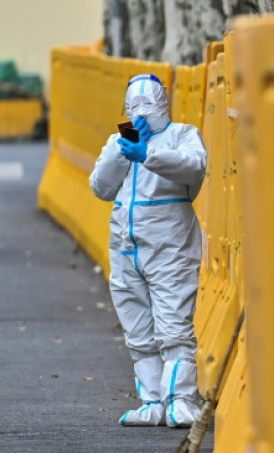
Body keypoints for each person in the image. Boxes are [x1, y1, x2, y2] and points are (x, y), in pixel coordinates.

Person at [89, 73, 206, 427]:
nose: (140, 109)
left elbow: (193, 167)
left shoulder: (183, 136)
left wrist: (149, 153)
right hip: (126, 247)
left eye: (147, 101)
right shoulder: (123, 140)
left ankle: (181, 401)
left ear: (163, 100)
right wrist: (125, 146)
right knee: (138, 329)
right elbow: (101, 186)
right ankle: (152, 400)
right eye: (133, 104)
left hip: (170, 247)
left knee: (173, 326)